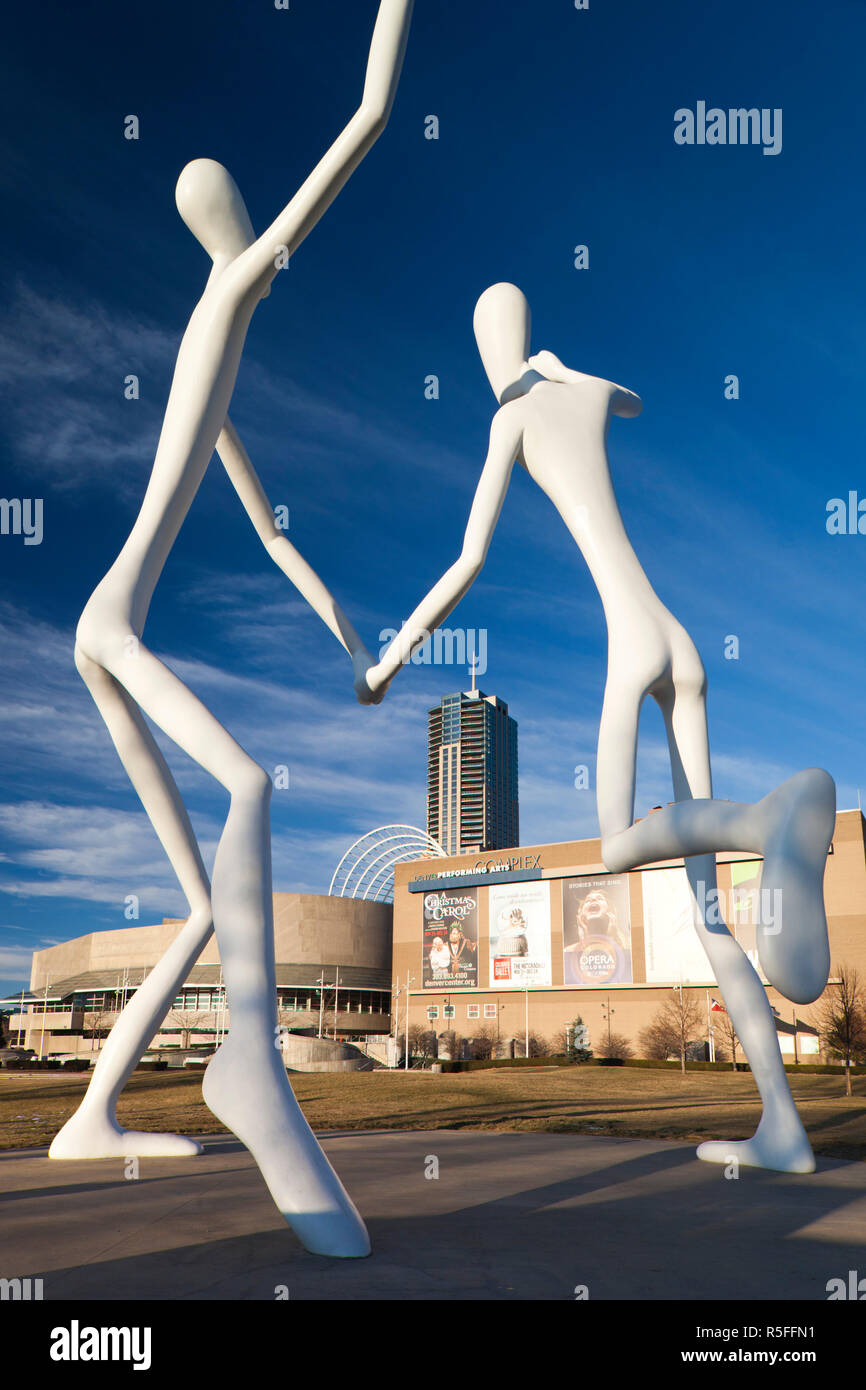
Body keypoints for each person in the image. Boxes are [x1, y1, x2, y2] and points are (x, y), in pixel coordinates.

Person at [50, 0, 415, 1259]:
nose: (256, 232)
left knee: (205, 908)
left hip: (99, 625)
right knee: (252, 781)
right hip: (114, 623)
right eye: (244, 214)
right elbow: (364, 121)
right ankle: (246, 1068)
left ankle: (91, 1114)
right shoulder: (233, 284)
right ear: (230, 224)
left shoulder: (215, 354)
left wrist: (348, 641)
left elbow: (269, 535)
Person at [356, 281, 835, 1173]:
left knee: (617, 846)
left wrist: (387, 663)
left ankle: (760, 822)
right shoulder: (582, 391)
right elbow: (632, 397)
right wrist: (565, 367)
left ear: (486, 351)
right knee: (707, 916)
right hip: (682, 639)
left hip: (630, 641)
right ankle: (785, 1129)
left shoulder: (511, 420)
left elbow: (467, 561)